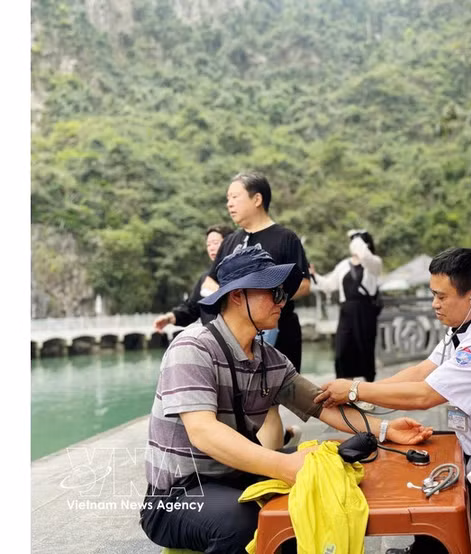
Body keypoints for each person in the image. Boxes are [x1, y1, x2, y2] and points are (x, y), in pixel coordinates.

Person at [140, 244, 433, 553]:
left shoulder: (269, 358)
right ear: (237, 295)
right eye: (274, 292)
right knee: (243, 524)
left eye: (284, 293)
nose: (283, 301)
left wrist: (385, 430)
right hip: (179, 494)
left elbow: (321, 404)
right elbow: (203, 432)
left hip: (238, 476)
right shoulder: (193, 348)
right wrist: (285, 465)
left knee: (333, 469)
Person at [315, 247, 471, 554]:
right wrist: (364, 398)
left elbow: (426, 395)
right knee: (430, 473)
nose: (435, 304)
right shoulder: (464, 325)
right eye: (433, 294)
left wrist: (354, 391)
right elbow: (421, 372)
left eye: (441, 297)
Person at [204, 171, 312, 372]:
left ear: (257, 199)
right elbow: (210, 281)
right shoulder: (230, 242)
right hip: (236, 335)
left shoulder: (286, 238)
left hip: (279, 329)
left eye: (235, 197)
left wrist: (268, 296)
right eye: (228, 199)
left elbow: (304, 284)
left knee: (277, 391)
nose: (229, 204)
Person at [311, 229, 382, 385]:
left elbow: (365, 256)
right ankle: (345, 391)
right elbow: (329, 285)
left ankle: (369, 392)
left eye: (356, 242)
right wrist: (314, 275)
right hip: (347, 312)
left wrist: (357, 239)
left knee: (365, 351)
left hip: (365, 312)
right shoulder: (343, 265)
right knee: (342, 352)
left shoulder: (374, 263)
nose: (353, 245)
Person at [152, 224, 233, 331]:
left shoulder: (242, 274)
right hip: (214, 341)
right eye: (208, 245)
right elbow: (191, 309)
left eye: (216, 243)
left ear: (231, 244)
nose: (211, 248)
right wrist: (168, 318)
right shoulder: (206, 279)